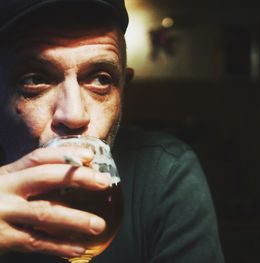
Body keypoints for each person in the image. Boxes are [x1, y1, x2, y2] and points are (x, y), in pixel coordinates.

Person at [0, 0, 225, 262]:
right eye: (35, 79)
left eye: (100, 79)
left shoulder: (164, 172)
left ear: (123, 91)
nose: (74, 115)